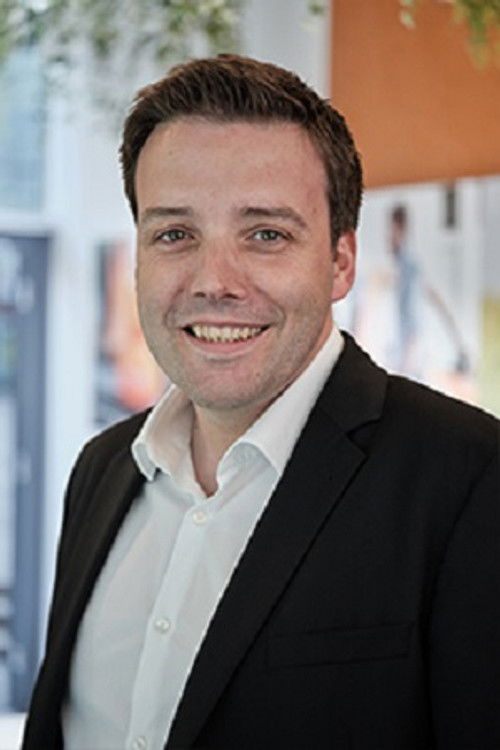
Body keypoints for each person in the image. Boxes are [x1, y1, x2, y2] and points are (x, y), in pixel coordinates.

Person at [23, 55, 499, 750]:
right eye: (175, 234)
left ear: (340, 262)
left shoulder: (470, 479)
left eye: (266, 235)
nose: (214, 281)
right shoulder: (103, 468)